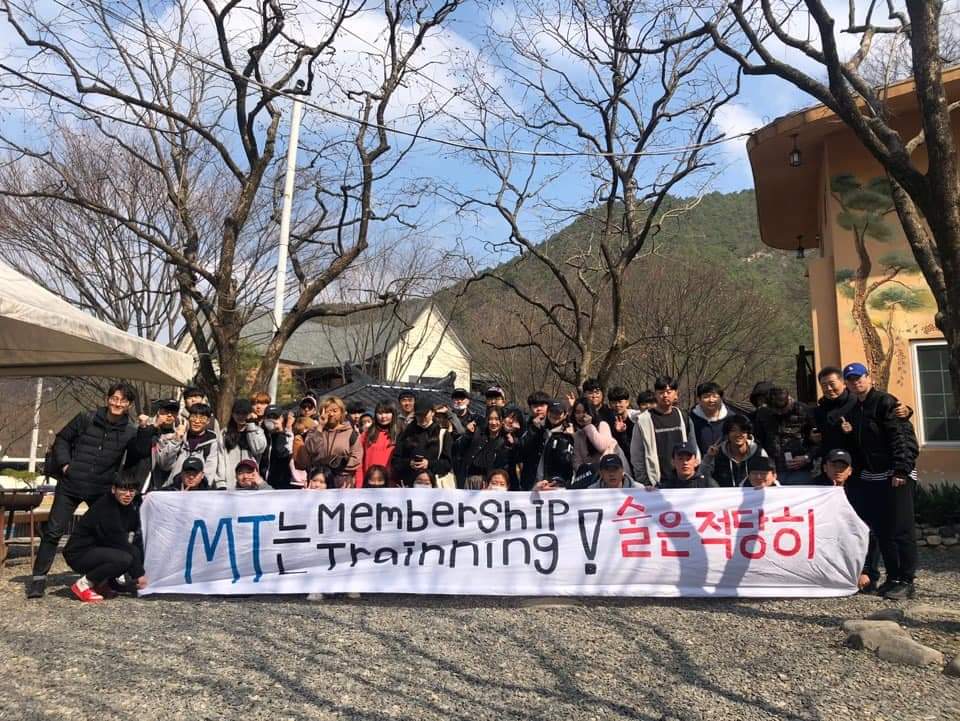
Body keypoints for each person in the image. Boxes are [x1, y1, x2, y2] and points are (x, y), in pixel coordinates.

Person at [27, 382, 151, 599]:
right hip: (71, 484)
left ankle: (105, 579)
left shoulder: (130, 430)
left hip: (101, 488)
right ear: (107, 399)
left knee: (108, 532)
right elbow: (62, 439)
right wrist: (65, 464)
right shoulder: (86, 418)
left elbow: (138, 454)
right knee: (53, 531)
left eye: (123, 400)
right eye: (114, 398)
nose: (117, 403)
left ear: (129, 405)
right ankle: (38, 579)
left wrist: (144, 430)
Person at [842, 362, 919, 600]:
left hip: (896, 475)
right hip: (873, 476)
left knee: (901, 529)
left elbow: (902, 437)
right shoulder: (854, 409)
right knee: (883, 531)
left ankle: (907, 580)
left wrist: (901, 470)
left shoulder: (886, 402)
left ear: (869, 378)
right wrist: (848, 433)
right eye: (851, 379)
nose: (856, 382)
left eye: (859, 377)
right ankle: (893, 577)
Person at [62, 475, 146, 603]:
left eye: (132, 490)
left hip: (97, 549)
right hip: (79, 553)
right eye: (123, 490)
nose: (128, 494)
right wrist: (139, 575)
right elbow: (117, 541)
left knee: (130, 553)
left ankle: (101, 584)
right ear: (113, 489)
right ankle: (83, 585)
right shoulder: (106, 506)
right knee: (124, 558)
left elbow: (134, 527)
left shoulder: (127, 507)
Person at [630, 376, 698, 487]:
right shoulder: (643, 420)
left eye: (669, 392)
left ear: (676, 394)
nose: (665, 395)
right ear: (655, 395)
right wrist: (645, 481)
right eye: (661, 392)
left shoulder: (683, 417)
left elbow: (693, 446)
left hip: (683, 482)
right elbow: (637, 455)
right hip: (656, 483)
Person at [754, 387, 817, 485]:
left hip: (800, 468)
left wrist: (808, 457)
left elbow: (818, 440)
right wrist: (765, 461)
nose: (779, 412)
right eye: (775, 409)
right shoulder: (763, 413)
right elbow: (758, 440)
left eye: (783, 409)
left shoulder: (804, 410)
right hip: (773, 468)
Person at [157, 402, 224, 489]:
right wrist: (175, 441)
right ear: (188, 418)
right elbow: (164, 465)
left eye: (202, 418)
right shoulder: (176, 436)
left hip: (198, 491)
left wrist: (199, 488)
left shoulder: (212, 442)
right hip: (173, 488)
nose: (197, 421)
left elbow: (209, 470)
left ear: (208, 421)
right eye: (194, 417)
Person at [295, 396, 363, 480]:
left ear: (342, 413)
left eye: (335, 411)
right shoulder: (314, 431)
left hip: (341, 480)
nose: (331, 414)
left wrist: (337, 465)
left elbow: (356, 459)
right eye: (328, 411)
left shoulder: (350, 433)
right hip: (318, 479)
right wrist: (320, 426)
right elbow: (311, 450)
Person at [392, 398, 454, 487]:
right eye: (418, 415)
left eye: (425, 415)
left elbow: (448, 464)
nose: (421, 418)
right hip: (410, 485)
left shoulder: (443, 434)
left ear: (432, 412)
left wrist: (429, 464)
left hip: (434, 485)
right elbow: (396, 461)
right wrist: (409, 463)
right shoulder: (406, 434)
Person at [701, 415, 767, 488]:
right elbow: (702, 476)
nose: (738, 434)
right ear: (727, 434)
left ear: (748, 433)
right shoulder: (717, 452)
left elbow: (769, 477)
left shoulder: (759, 452)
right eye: (733, 430)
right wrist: (709, 457)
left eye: (742, 430)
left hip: (752, 494)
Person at [456, 405, 512, 489]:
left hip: (491, 483)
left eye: (497, 419)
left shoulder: (505, 440)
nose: (493, 423)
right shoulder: (477, 432)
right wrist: (468, 434)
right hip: (469, 479)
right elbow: (459, 448)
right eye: (490, 419)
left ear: (502, 421)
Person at [221, 398, 268, 489]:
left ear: (251, 414)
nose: (241, 416)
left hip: (251, 481)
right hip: (229, 483)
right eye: (238, 413)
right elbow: (220, 459)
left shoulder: (258, 431)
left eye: (244, 413)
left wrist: (251, 425)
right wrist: (221, 482)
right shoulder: (224, 433)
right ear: (232, 414)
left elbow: (258, 449)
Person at [138, 398, 182, 493]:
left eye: (173, 412)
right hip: (143, 481)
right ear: (158, 412)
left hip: (167, 483)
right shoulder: (146, 426)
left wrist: (176, 440)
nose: (169, 415)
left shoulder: (180, 432)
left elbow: (165, 465)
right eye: (165, 411)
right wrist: (152, 427)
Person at [516, 391, 552, 491]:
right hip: (531, 479)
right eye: (535, 406)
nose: (538, 409)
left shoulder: (555, 423)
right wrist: (534, 429)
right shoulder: (525, 426)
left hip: (551, 478)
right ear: (530, 408)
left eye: (542, 405)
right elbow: (521, 450)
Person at [535, 400, 577, 484]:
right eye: (552, 412)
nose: (554, 415)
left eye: (558, 413)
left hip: (560, 483)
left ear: (565, 415)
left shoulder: (569, 433)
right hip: (539, 482)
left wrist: (574, 436)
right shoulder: (540, 430)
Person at [572, 396, 619, 470]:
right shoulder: (578, 435)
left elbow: (601, 446)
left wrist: (588, 426)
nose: (581, 416)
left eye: (584, 412)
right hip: (592, 474)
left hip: (612, 470)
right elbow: (577, 462)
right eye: (578, 412)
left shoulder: (602, 425)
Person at [361, 401, 400, 487]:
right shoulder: (367, 434)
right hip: (370, 482)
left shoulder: (399, 435)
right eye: (380, 413)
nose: (383, 416)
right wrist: (359, 483)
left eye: (387, 412)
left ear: (393, 414)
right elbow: (359, 461)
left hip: (391, 483)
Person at [690, 382, 732, 456]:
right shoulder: (690, 419)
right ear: (699, 399)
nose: (711, 400)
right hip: (700, 461)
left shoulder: (731, 418)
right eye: (706, 397)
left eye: (715, 396)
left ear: (721, 398)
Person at [261, 405, 295, 489]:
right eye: (269, 417)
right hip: (263, 483)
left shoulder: (287, 433)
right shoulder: (261, 434)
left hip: (282, 484)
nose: (272, 420)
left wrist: (280, 432)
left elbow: (282, 453)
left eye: (275, 417)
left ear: (281, 418)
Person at [607, 386, 634, 466]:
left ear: (627, 402)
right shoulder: (608, 423)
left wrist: (622, 433)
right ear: (610, 404)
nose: (617, 405)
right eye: (614, 402)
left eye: (620, 401)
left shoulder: (635, 420)